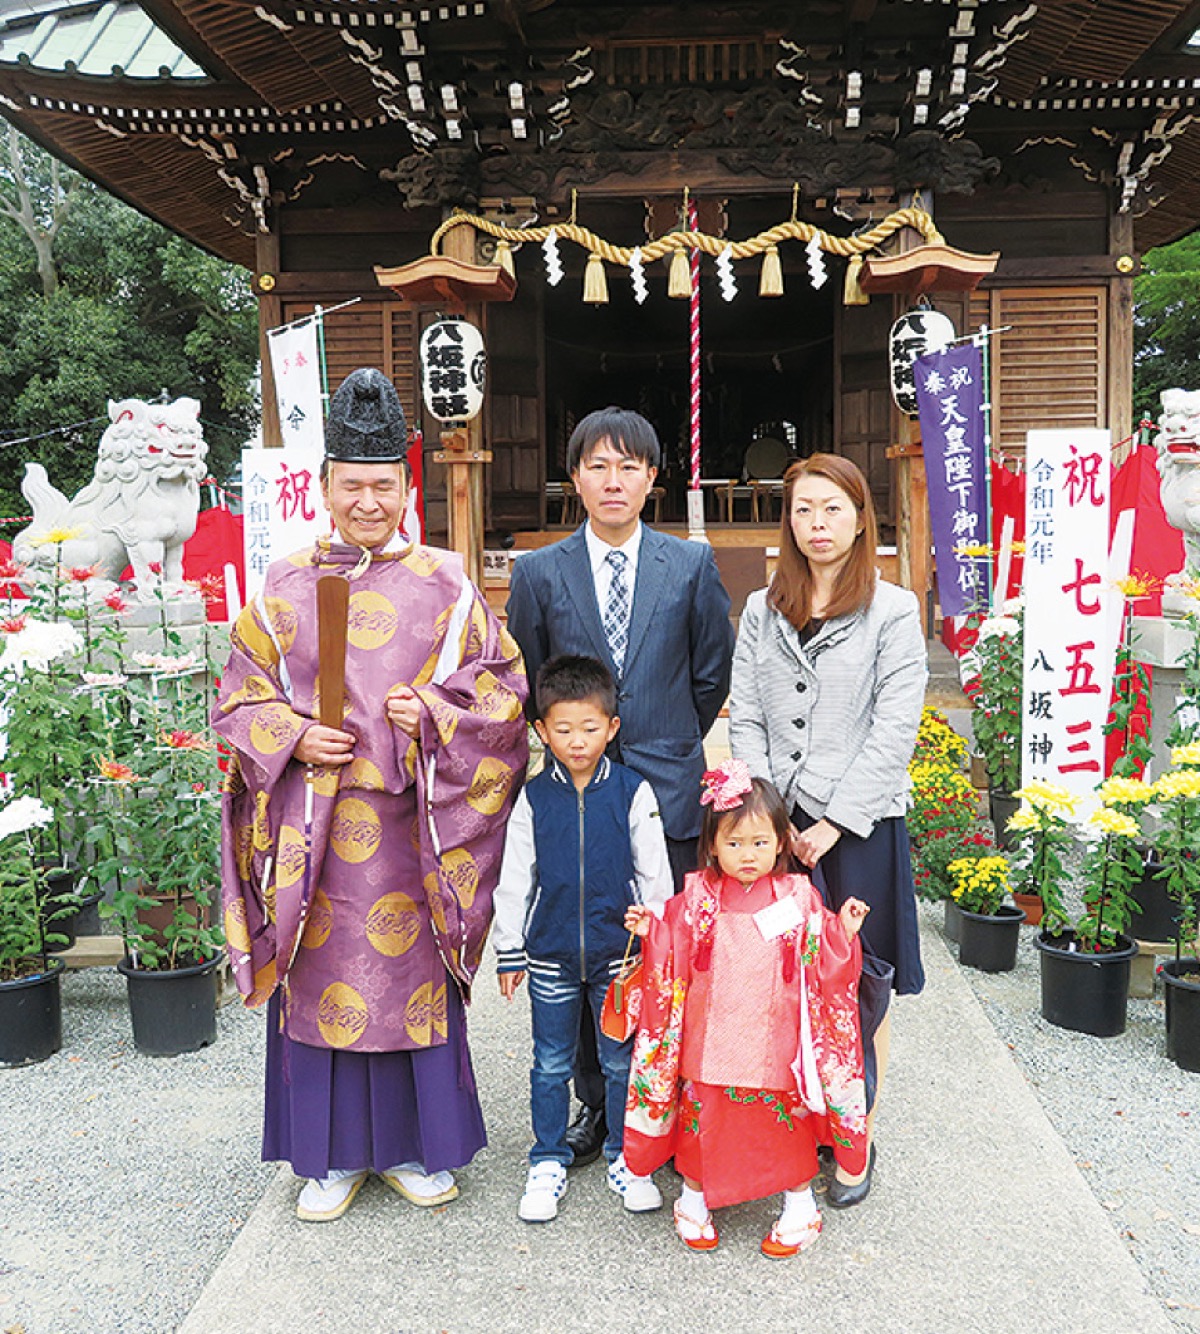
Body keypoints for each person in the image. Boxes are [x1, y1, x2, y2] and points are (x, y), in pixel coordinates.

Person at [213, 367, 528, 1222]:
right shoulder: (281, 588)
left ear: (405, 487)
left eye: (382, 485)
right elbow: (236, 699)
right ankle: (329, 1159)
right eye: (351, 485)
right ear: (323, 488)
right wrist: (291, 733)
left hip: (417, 833)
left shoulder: (449, 584)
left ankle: (416, 1149)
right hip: (312, 838)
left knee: (413, 991)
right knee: (321, 982)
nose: (367, 501)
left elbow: (502, 694)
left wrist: (431, 710)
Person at [506, 405, 734, 1165]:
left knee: (668, 956)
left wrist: (663, 744)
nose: (613, 480)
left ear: (651, 478)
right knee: (584, 948)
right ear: (575, 478)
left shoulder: (691, 565)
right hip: (577, 797)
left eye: (629, 466)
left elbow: (710, 674)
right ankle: (596, 1105)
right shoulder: (539, 573)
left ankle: (663, 1100)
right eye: (597, 466)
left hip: (668, 789)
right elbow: (535, 680)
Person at [728, 452, 927, 1208]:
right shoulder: (761, 608)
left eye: (833, 509)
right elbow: (745, 710)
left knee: (861, 981)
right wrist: (769, 818)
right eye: (805, 510)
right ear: (790, 520)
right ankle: (800, 1121)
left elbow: (893, 728)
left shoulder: (895, 609)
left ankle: (856, 1133)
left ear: (859, 517)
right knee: (785, 980)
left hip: (861, 829)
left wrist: (836, 822)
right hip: (777, 827)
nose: (818, 524)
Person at [623, 761, 869, 1257]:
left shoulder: (799, 895)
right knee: (705, 1118)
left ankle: (799, 1205)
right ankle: (694, 1199)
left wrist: (841, 932)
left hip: (776, 1040)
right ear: (712, 843)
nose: (747, 855)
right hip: (710, 1039)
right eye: (733, 844)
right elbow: (672, 949)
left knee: (784, 1126)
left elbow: (825, 960)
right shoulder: (696, 896)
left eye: (760, 843)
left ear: (781, 841)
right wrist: (654, 933)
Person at [492, 654, 673, 1222]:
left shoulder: (632, 791)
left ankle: (627, 1156)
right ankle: (546, 1158)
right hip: (548, 954)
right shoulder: (533, 798)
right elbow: (516, 876)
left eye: (590, 728)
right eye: (563, 729)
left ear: (612, 727)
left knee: (621, 1060)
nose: (577, 741)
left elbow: (655, 876)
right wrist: (508, 948)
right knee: (550, 1061)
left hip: (620, 958)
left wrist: (657, 942)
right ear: (541, 730)